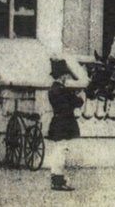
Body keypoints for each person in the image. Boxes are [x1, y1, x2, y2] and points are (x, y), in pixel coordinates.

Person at [47, 58, 83, 192]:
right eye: (65, 75)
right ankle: (58, 181)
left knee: (58, 150)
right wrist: (76, 96)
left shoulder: (54, 89)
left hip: (58, 121)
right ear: (62, 76)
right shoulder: (61, 90)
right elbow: (77, 102)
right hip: (64, 123)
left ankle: (56, 179)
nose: (66, 78)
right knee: (61, 151)